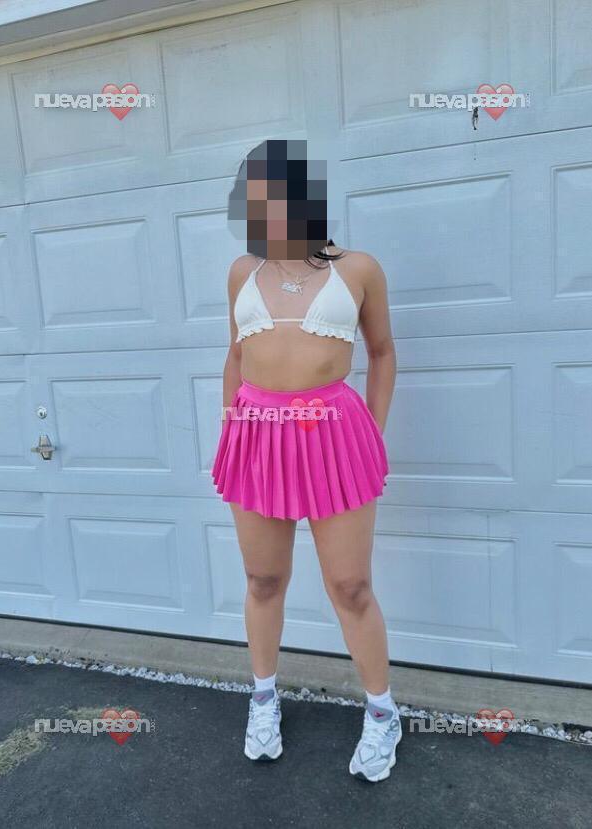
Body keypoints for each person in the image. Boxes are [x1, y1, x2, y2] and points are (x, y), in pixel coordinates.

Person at [212, 139, 399, 782]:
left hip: (334, 437)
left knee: (350, 586)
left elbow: (382, 353)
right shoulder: (242, 272)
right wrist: (232, 426)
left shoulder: (359, 269)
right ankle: (263, 700)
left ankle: (383, 714)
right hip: (257, 436)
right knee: (263, 579)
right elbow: (236, 355)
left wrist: (371, 433)